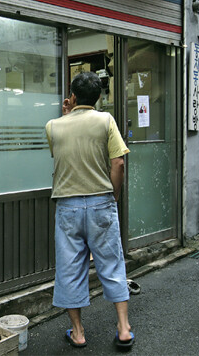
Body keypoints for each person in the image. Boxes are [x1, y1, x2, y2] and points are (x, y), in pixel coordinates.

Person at [45, 72, 134, 350]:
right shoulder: (106, 120)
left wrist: (66, 115)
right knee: (112, 264)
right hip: (101, 203)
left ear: (71, 96)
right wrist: (114, 196)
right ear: (99, 97)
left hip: (67, 206)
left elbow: (62, 154)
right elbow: (117, 163)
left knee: (70, 269)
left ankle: (78, 332)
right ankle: (123, 329)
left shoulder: (52, 126)